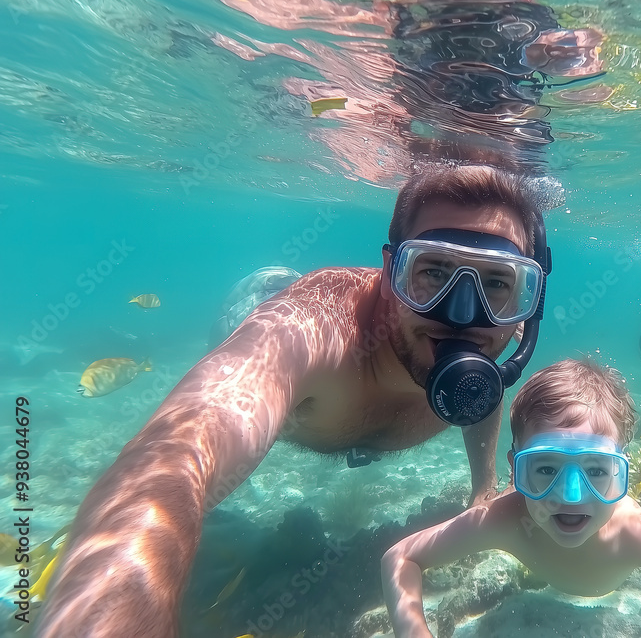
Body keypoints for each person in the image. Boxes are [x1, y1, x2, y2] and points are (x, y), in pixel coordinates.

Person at [38, 164, 552, 635]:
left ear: (531, 302)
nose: (464, 315)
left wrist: (484, 486)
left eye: (499, 282)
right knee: (251, 311)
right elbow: (174, 455)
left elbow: (482, 398)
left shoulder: (486, 361)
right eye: (434, 272)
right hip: (261, 307)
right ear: (391, 272)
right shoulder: (308, 335)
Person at [382, 359, 641, 638]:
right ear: (516, 471)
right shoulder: (505, 519)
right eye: (544, 469)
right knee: (482, 502)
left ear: (620, 473)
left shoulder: (638, 538)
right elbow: (400, 558)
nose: (570, 496)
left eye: (597, 471)